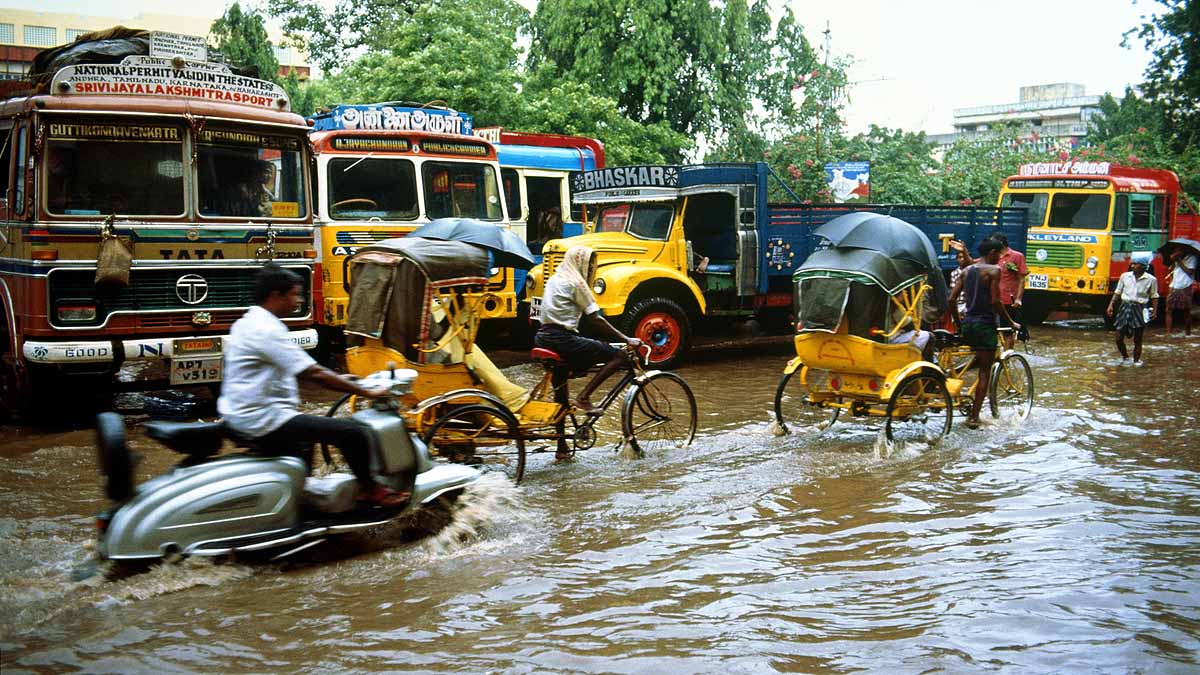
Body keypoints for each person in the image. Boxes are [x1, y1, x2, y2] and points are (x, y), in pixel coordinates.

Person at [218, 264, 408, 507]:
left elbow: (290, 367)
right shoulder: (266, 329)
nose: (298, 301)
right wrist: (367, 391)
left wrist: (344, 380)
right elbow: (314, 373)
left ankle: (299, 498)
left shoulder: (247, 322)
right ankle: (372, 490)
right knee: (353, 433)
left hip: (242, 414)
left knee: (306, 439)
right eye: (294, 294)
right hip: (262, 419)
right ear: (276, 295)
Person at [534, 243, 642, 425]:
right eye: (590, 264)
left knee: (561, 394)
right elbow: (595, 319)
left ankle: (562, 448)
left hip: (542, 338)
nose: (591, 268)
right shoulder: (576, 282)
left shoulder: (554, 279)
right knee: (620, 355)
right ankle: (584, 397)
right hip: (561, 340)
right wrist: (626, 339)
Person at [948, 238, 1020, 429]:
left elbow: (951, 299)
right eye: (998, 254)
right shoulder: (994, 270)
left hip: (968, 324)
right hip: (985, 324)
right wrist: (1011, 321)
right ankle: (974, 417)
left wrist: (958, 323)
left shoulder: (965, 271)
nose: (1000, 258)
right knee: (984, 372)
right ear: (992, 253)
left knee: (979, 357)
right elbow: (996, 301)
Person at [1106, 252, 1159, 364]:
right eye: (1133, 264)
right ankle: (1125, 357)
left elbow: (1154, 296)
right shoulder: (1125, 276)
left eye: (1136, 264)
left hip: (1140, 308)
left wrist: (1155, 310)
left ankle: (1136, 362)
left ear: (1144, 266)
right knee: (1118, 338)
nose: (1133, 266)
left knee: (1138, 339)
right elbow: (1117, 292)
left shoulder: (1151, 280)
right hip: (1125, 307)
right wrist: (1111, 305)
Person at [988, 232, 1028, 350]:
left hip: (1008, 301)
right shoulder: (992, 256)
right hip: (993, 300)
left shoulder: (1017, 256)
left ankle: (1007, 357)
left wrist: (1018, 298)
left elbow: (1022, 279)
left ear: (1000, 243)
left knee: (1008, 331)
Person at [1165, 245, 1197, 337]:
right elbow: (1170, 270)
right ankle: (1168, 333)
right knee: (1168, 310)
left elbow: (1189, 272)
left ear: (1183, 251)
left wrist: (1178, 260)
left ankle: (1188, 333)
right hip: (1174, 285)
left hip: (1186, 285)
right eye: (1175, 250)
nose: (1176, 251)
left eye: (1178, 250)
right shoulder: (1176, 259)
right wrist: (1173, 261)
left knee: (1186, 311)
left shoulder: (1191, 258)